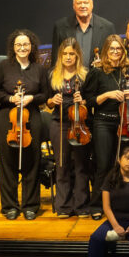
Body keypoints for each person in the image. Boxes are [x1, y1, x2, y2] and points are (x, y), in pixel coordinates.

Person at [0, 29, 47, 220]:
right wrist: (9, 98)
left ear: (31, 46)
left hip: (32, 118)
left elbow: (45, 94)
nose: (22, 48)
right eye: (18, 44)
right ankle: (10, 206)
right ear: (13, 47)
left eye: (25, 44)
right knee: (8, 162)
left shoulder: (39, 69)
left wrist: (32, 98)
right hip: (7, 117)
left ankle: (31, 205)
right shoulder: (3, 66)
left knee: (32, 161)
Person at [83, 34, 129, 217]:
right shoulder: (97, 72)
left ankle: (120, 203)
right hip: (103, 122)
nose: (115, 52)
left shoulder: (128, 70)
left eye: (119, 48)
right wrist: (107, 95)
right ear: (106, 51)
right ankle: (97, 205)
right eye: (112, 48)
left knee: (125, 165)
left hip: (125, 122)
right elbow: (88, 101)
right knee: (104, 165)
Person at [45, 38, 91, 217]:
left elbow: (91, 100)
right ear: (60, 56)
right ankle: (63, 206)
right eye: (64, 54)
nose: (68, 57)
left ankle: (81, 205)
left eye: (72, 53)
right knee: (62, 165)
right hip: (59, 124)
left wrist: (83, 101)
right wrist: (52, 100)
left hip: (80, 124)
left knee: (81, 165)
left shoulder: (85, 75)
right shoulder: (52, 75)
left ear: (77, 55)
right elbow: (47, 101)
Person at [52, 0, 116, 68]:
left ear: (92, 5)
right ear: (73, 6)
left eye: (86, 2)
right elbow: (55, 61)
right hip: (69, 75)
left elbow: (113, 60)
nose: (82, 6)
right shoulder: (60, 27)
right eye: (79, 3)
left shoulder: (107, 28)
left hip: (98, 75)